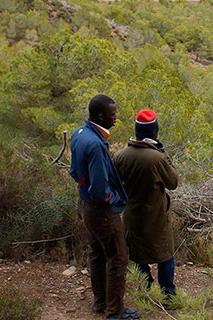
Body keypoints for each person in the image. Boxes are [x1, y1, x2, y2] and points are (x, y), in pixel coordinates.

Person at [70, 95, 140, 320]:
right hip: (101, 211)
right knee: (118, 258)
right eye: (113, 114)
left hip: (85, 204)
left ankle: (100, 302)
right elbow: (100, 190)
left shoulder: (79, 134)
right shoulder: (96, 145)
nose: (116, 117)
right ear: (101, 116)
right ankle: (115, 312)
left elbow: (74, 171)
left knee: (97, 254)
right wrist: (113, 198)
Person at [114, 110, 179, 298]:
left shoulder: (120, 156)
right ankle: (168, 295)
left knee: (137, 254)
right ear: (155, 133)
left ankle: (146, 290)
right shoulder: (157, 158)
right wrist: (164, 154)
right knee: (165, 254)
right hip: (156, 216)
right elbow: (172, 182)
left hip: (132, 215)